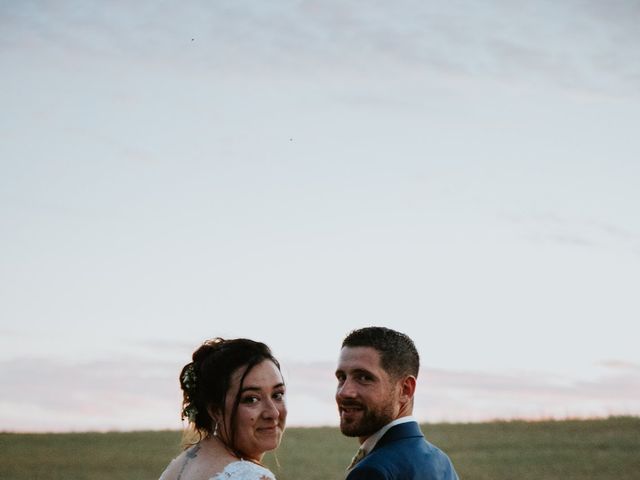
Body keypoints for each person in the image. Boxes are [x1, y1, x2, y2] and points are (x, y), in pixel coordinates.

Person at [335, 327, 459, 480]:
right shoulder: (441, 461)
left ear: (405, 389)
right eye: (341, 377)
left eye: (364, 378)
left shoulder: (372, 471)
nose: (344, 392)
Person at [159, 337, 287, 480]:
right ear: (215, 410)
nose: (273, 413)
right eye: (251, 399)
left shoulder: (178, 468)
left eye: (277, 395)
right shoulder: (250, 477)